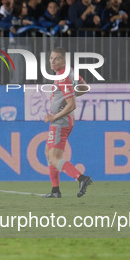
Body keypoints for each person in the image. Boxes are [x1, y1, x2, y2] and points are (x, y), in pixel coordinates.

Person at [43, 47, 92, 199]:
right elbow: (84, 87)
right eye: (51, 58)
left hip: (60, 121)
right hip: (65, 120)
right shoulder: (69, 71)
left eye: (56, 58)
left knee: (54, 157)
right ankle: (55, 190)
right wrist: (68, 96)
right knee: (48, 152)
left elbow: (72, 105)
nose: (52, 61)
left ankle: (81, 178)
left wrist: (55, 116)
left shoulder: (62, 77)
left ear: (63, 60)